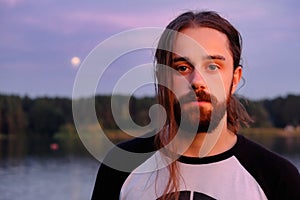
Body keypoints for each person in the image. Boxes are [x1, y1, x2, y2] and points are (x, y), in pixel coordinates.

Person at [91, 11, 300, 200]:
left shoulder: (277, 178)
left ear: (235, 79)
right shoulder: (121, 167)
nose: (197, 81)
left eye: (212, 66)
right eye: (182, 67)